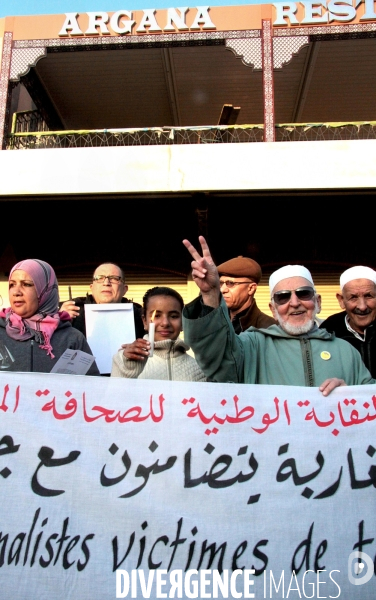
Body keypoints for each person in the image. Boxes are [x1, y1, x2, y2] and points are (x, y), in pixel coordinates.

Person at [182, 237, 374, 394]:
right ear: (273, 309)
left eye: (303, 293)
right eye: (283, 297)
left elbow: (369, 397)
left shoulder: (345, 351)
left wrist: (352, 395)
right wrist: (211, 294)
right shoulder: (252, 346)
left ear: (318, 302)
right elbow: (215, 357)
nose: (294, 302)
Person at [0, 259, 99, 374]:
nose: (16, 292)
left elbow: (90, 387)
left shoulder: (72, 338)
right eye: (12, 284)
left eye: (26, 284)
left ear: (46, 290)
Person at [111, 286, 206, 381]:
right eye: (156, 316)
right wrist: (128, 370)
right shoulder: (125, 359)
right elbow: (115, 394)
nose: (165, 323)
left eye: (173, 316)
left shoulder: (200, 368)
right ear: (144, 321)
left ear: (182, 322)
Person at [60, 262, 144, 338]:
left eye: (114, 278)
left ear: (124, 289)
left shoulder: (139, 316)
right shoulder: (74, 310)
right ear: (92, 288)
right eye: (99, 278)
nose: (106, 283)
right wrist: (58, 321)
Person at [320, 265, 376, 377]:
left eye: (368, 296)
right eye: (353, 297)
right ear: (341, 300)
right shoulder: (327, 332)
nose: (362, 306)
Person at [217, 255, 275, 332]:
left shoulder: (268, 329)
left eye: (230, 283)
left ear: (251, 288)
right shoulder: (215, 322)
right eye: (221, 283)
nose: (222, 289)